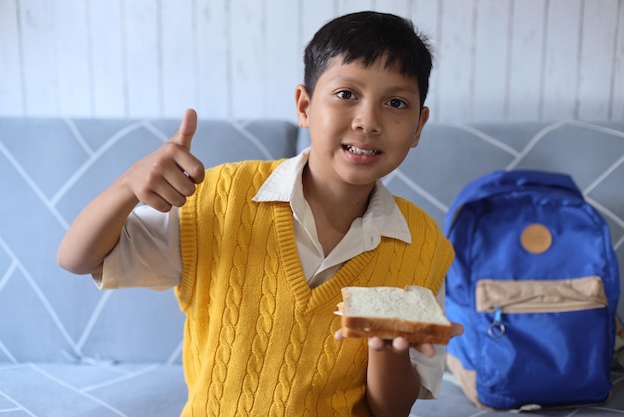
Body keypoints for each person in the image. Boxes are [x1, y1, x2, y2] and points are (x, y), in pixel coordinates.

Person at [57, 10, 463, 417]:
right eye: (346, 94)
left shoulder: (423, 245)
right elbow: (79, 259)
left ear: (418, 126)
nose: (367, 121)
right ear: (304, 106)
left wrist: (387, 348)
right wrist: (129, 185)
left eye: (395, 102)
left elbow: (391, 410)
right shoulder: (219, 199)